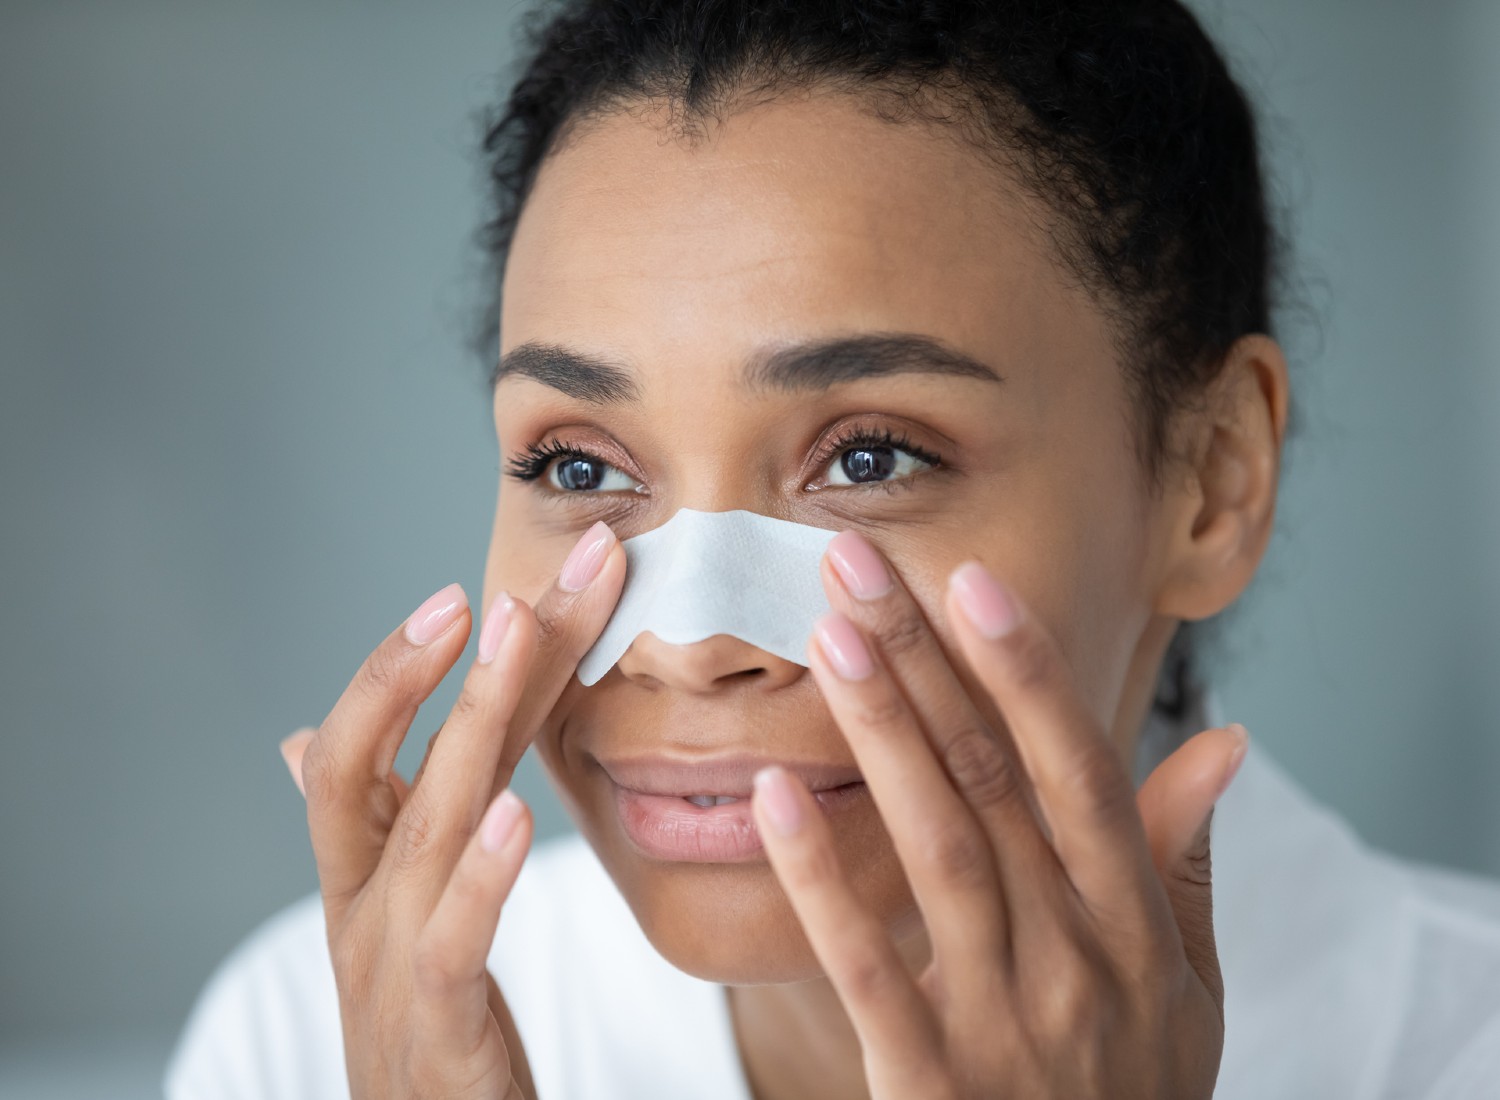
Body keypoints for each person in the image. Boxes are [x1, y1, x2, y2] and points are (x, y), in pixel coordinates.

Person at [164, 1, 1500, 1097]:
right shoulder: (308, 1047)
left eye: (869, 459)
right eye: (581, 469)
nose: (692, 643)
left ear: (1210, 485)